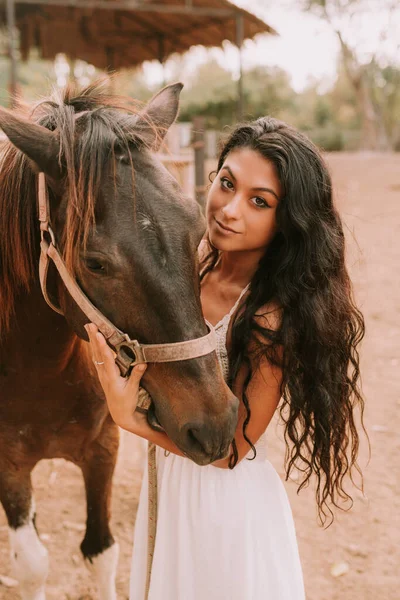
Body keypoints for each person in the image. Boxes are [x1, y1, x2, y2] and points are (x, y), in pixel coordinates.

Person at [85, 116, 365, 600]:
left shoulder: (267, 318)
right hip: (169, 487)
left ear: (288, 220)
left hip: (223, 509)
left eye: (260, 202)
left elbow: (230, 451)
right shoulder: (186, 268)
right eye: (227, 183)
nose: (230, 209)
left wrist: (129, 420)